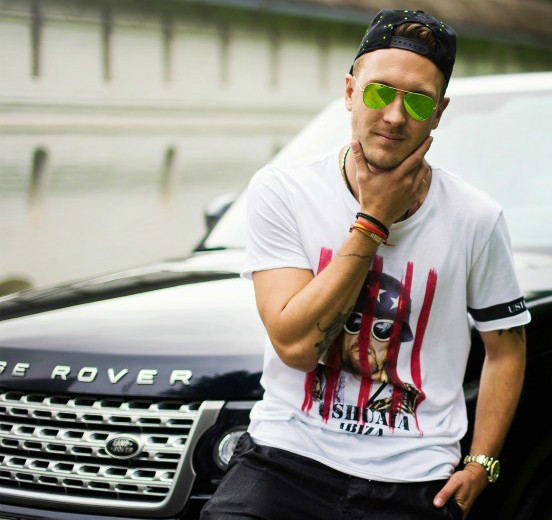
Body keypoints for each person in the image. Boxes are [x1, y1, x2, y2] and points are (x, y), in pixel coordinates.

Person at [201, 8, 530, 520]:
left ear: (439, 113)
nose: (395, 116)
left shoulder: (476, 218)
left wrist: (481, 463)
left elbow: (506, 348)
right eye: (380, 93)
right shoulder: (283, 191)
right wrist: (373, 221)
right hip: (286, 457)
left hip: (416, 476)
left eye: (417, 100)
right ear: (350, 91)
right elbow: (296, 347)